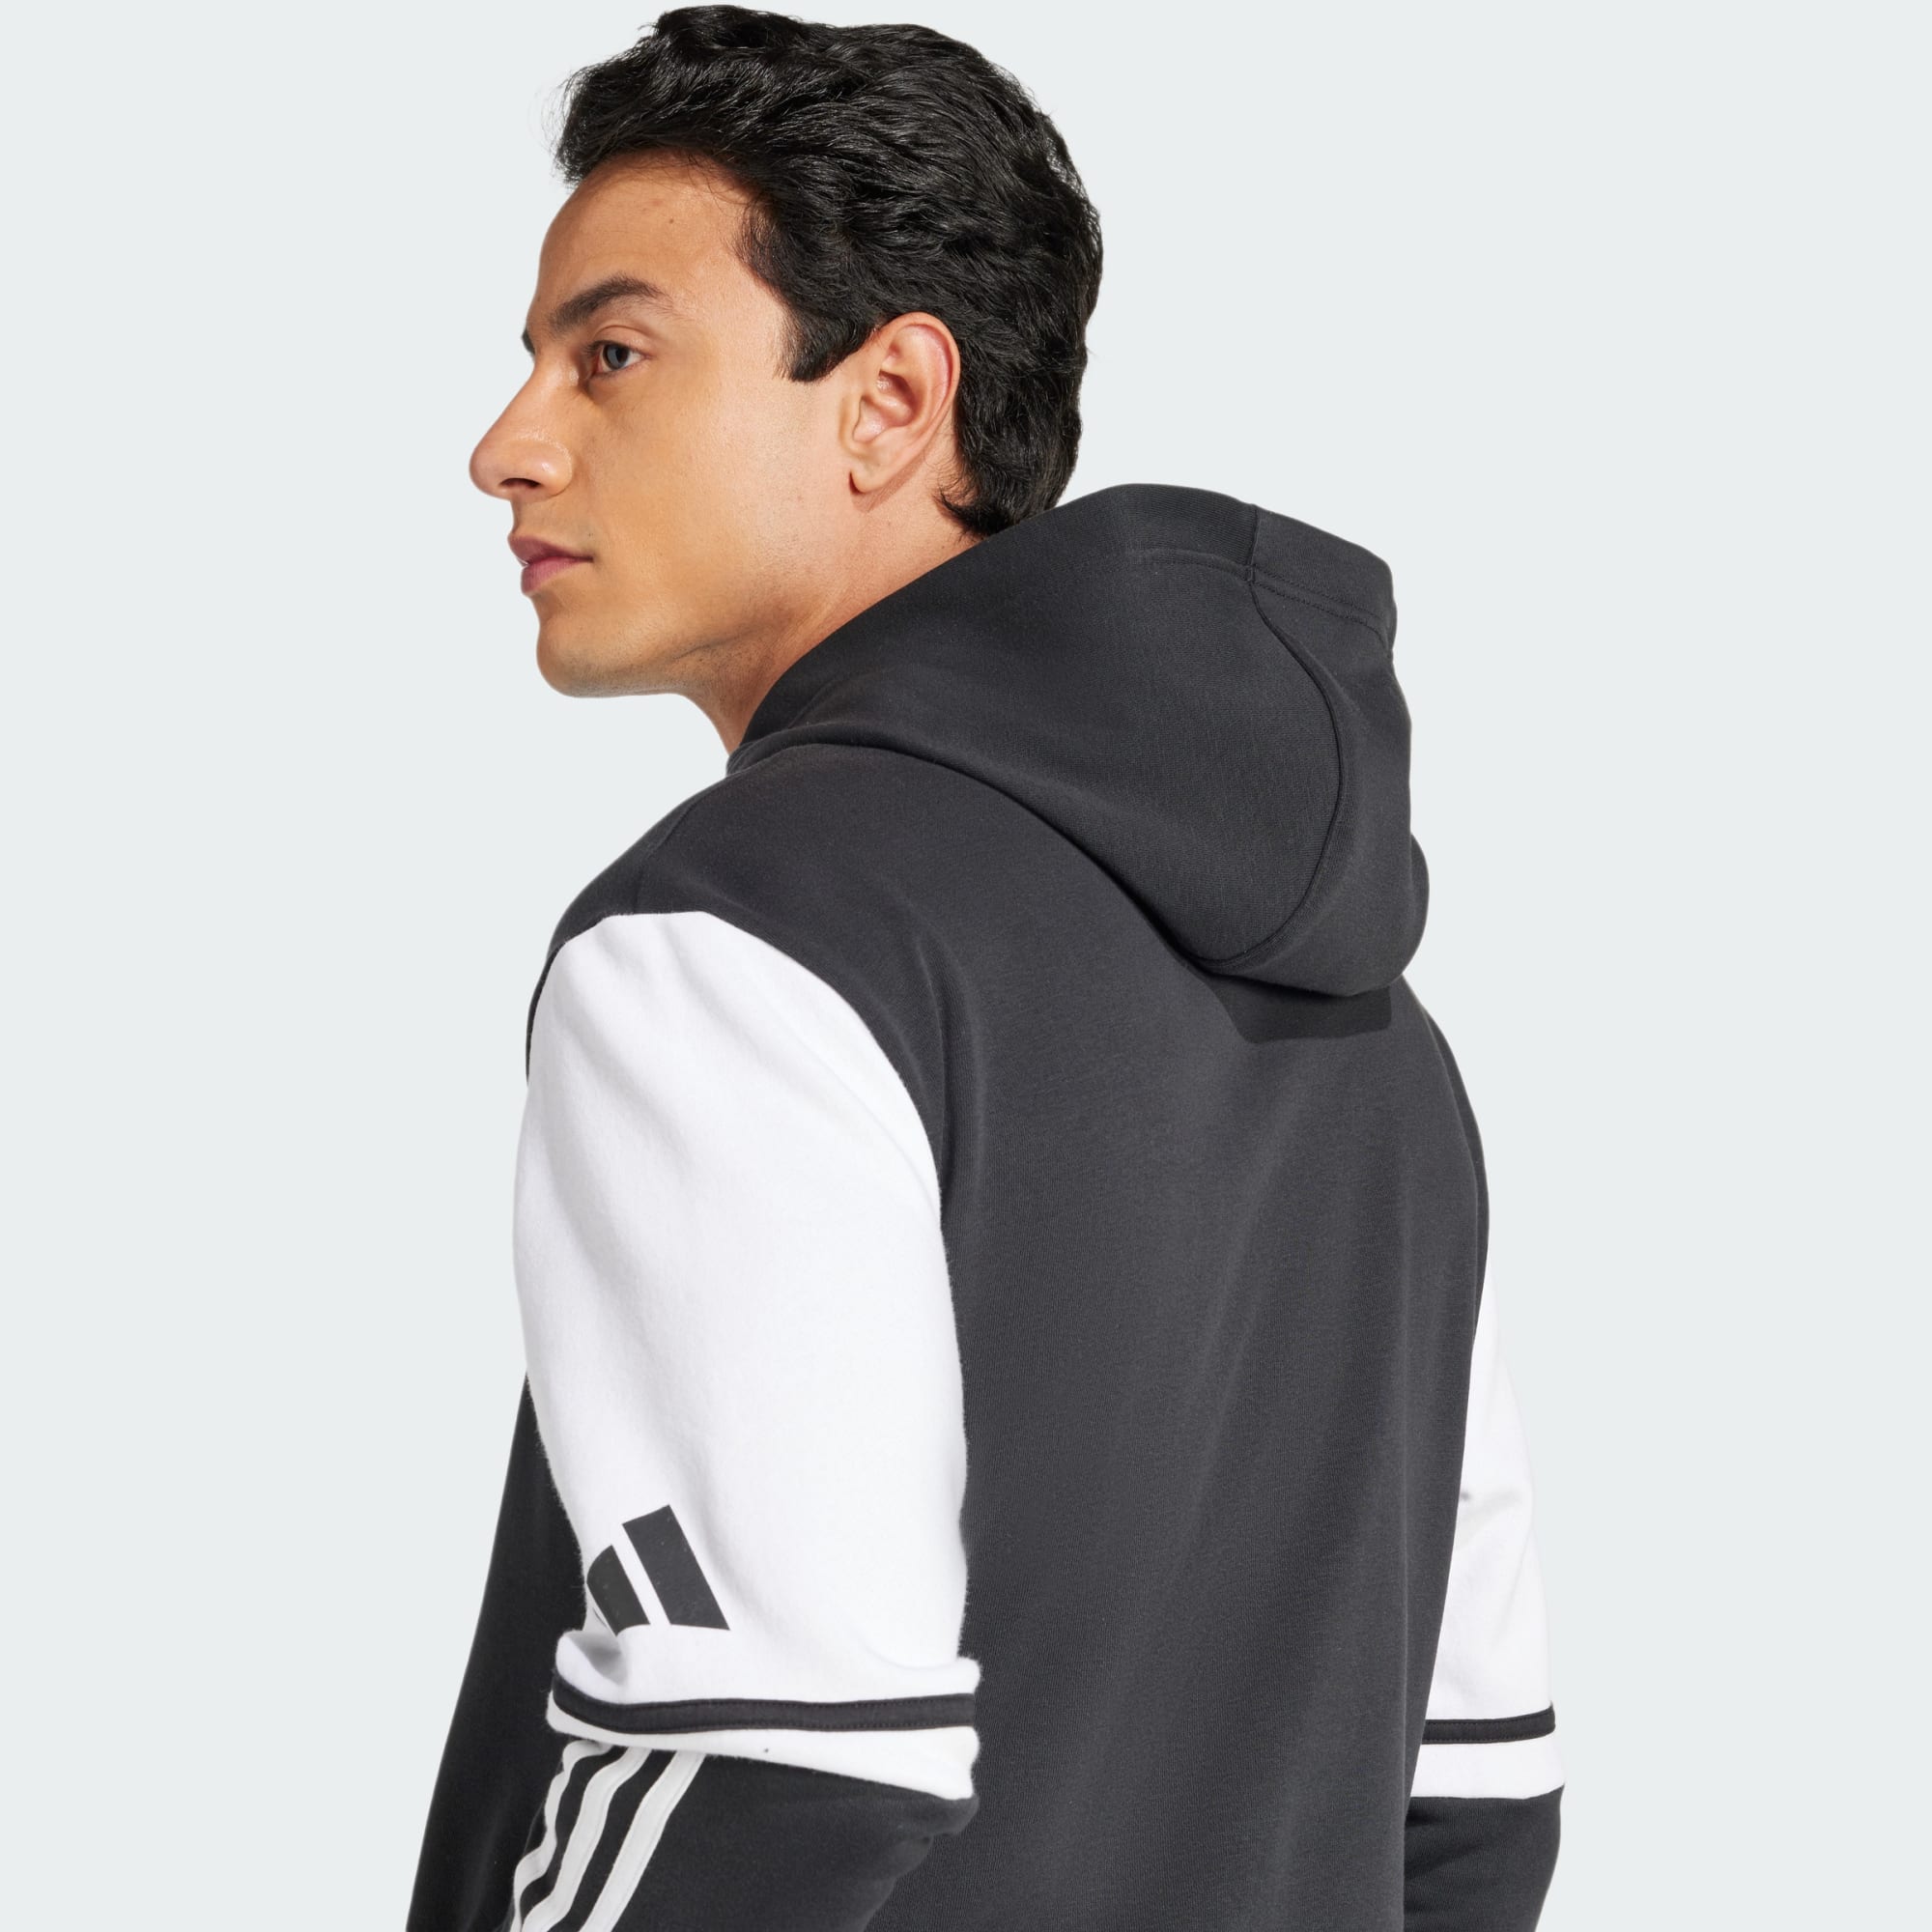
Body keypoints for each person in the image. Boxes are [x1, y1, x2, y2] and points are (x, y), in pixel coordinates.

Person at [406, 8, 1565, 1929]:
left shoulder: (736, 936)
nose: (506, 444)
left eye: (608, 356)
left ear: (888, 401)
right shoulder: (1376, 1029)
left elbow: (772, 1761)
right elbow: (1467, 1796)